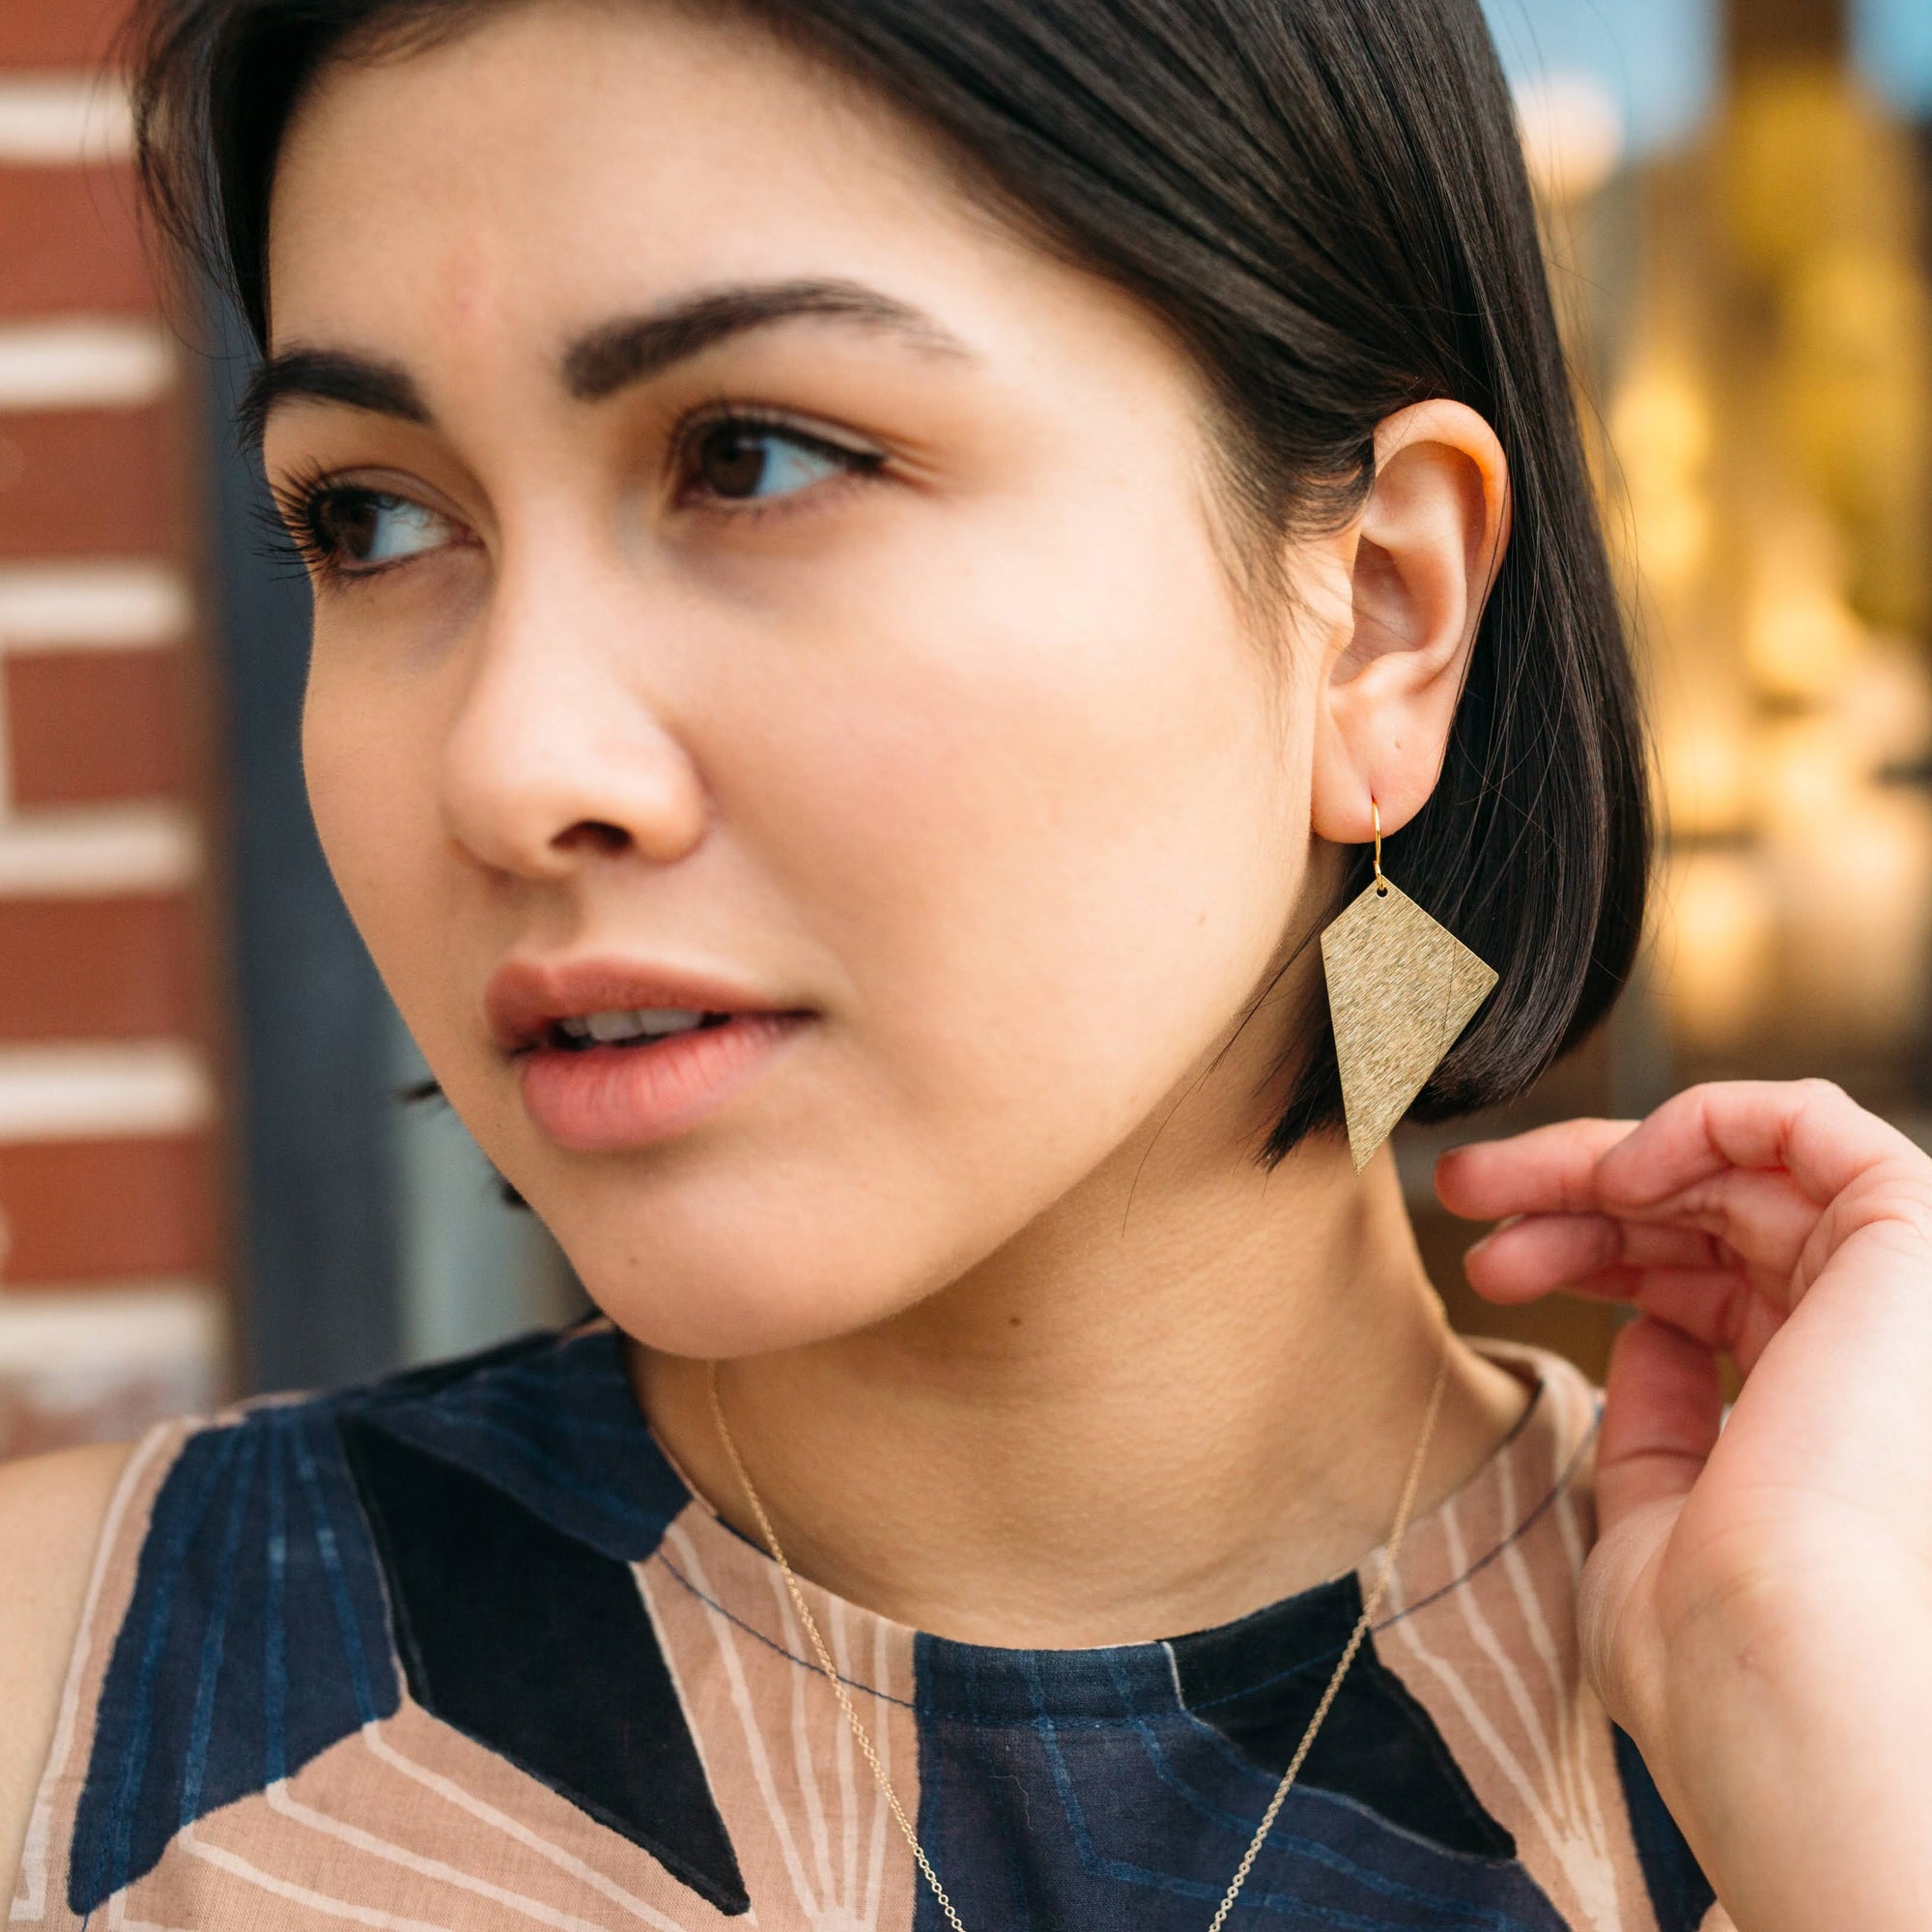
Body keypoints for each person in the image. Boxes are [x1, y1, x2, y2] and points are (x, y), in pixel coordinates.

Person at [3, 0, 1929, 1925]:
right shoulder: (66, 1723)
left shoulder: (1830, 1698)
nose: (510, 766)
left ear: (1378, 618)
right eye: (377, 517)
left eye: (751, 458)